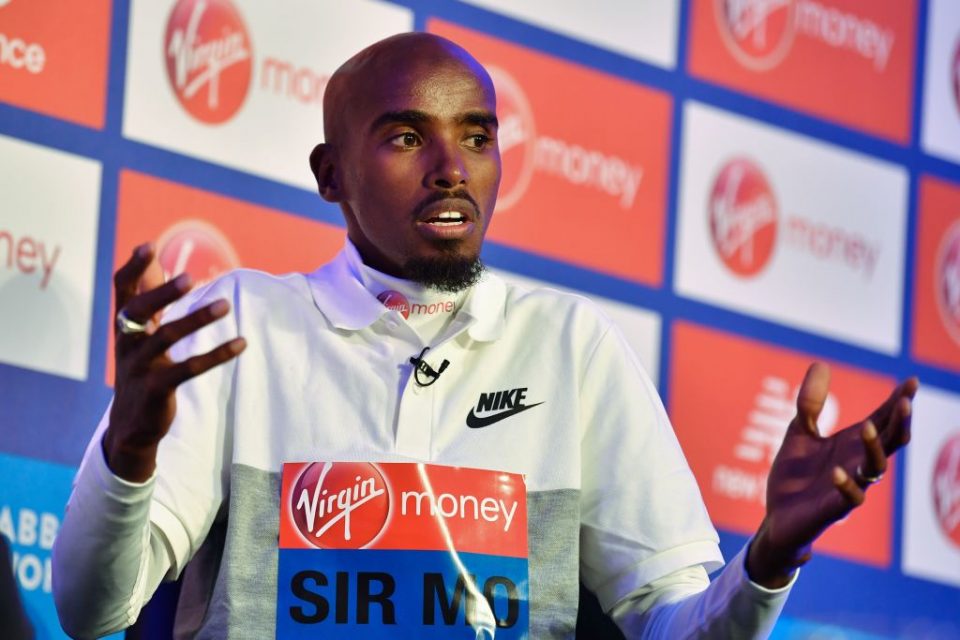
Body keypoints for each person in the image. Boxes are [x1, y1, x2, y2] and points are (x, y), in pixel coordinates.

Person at [52, 32, 917, 639]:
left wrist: (769, 556)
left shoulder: (570, 346)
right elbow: (90, 612)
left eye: (477, 136)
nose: (452, 168)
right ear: (330, 175)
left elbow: (674, 630)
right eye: (405, 136)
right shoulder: (244, 326)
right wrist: (129, 450)